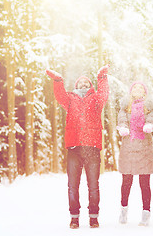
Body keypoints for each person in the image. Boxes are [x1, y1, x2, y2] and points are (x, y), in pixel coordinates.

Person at [45, 65, 109, 229]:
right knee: (73, 186)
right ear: (75, 86)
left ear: (90, 86)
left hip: (92, 147)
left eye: (86, 83)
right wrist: (58, 80)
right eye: (80, 83)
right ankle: (74, 217)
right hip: (74, 148)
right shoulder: (70, 99)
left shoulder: (95, 99)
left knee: (93, 186)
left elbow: (103, 94)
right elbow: (59, 96)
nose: (83, 85)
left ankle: (94, 217)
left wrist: (101, 78)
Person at [116, 81, 153, 226]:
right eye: (135, 87)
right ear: (131, 91)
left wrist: (150, 125)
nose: (138, 89)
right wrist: (122, 127)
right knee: (126, 181)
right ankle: (123, 211)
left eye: (141, 87)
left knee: (144, 183)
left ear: (145, 92)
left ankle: (146, 213)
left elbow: (152, 118)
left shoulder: (150, 107)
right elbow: (121, 120)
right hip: (128, 146)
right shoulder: (124, 107)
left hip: (144, 148)